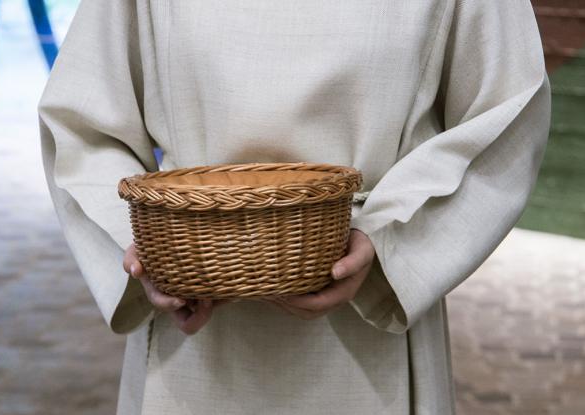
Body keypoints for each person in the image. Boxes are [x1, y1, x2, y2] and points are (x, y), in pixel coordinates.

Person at [38, 0, 551, 413]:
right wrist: (145, 250)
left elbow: (507, 109)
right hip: (195, 322)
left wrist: (388, 237)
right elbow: (82, 122)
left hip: (362, 326)